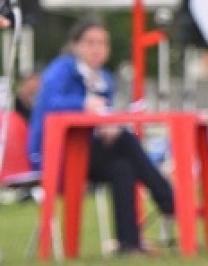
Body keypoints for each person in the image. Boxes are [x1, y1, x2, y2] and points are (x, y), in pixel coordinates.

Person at [28, 19, 176, 255]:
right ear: (75, 45)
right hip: (55, 156)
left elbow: (97, 119)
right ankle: (170, 201)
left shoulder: (104, 78)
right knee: (127, 141)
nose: (97, 48)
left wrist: (105, 128)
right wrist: (82, 103)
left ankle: (129, 243)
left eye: (102, 43)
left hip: (87, 155)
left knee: (123, 166)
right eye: (90, 42)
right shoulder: (62, 69)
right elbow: (50, 105)